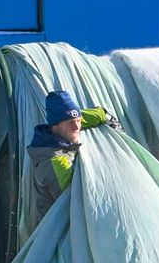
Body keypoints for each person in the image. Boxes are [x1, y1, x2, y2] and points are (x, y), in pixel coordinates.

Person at [27, 89, 119, 227]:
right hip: (59, 233)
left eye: (78, 120)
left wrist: (109, 120)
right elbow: (79, 203)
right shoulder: (54, 161)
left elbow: (93, 115)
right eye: (71, 122)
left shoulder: (64, 128)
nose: (77, 126)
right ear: (55, 126)